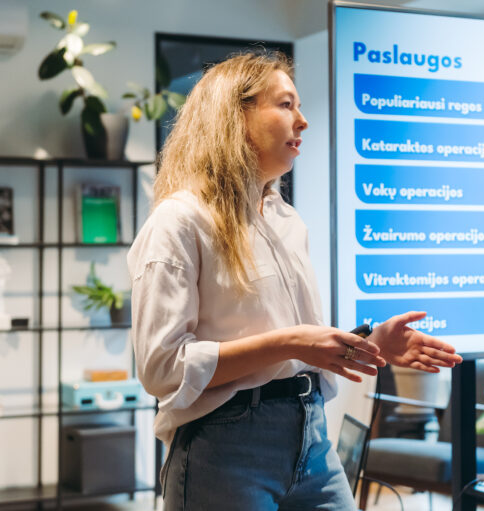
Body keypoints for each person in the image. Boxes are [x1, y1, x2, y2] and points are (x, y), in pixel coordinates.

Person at [127, 51, 462, 511]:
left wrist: (369, 345)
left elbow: (300, 349)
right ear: (234, 116)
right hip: (225, 448)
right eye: (286, 105)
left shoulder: (286, 220)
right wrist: (289, 342)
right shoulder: (180, 221)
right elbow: (162, 367)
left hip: (312, 436)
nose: (302, 121)